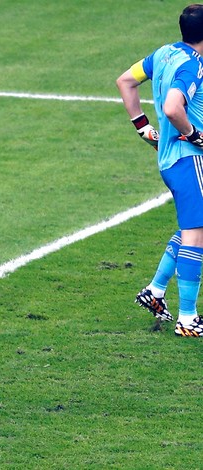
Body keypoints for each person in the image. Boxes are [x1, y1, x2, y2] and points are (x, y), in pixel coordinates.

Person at [116, 4, 203, 337]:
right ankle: (188, 318)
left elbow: (125, 81)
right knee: (197, 233)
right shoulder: (193, 66)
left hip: (168, 158)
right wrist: (195, 136)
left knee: (193, 227)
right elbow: (172, 108)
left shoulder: (164, 53)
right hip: (188, 158)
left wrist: (142, 128)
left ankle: (155, 291)